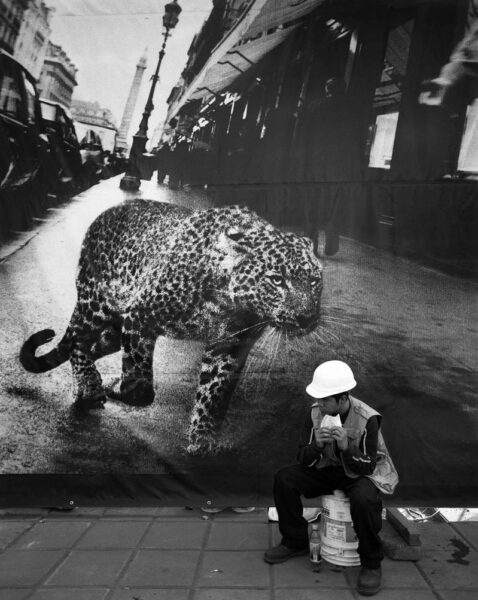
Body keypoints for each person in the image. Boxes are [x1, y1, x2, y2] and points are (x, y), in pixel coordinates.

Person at [263, 360, 398, 597]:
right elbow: (303, 459)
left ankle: (371, 563)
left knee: (364, 500)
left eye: (326, 400)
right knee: (285, 478)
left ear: (343, 398)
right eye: (319, 399)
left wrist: (347, 447)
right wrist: (317, 445)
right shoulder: (315, 412)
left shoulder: (367, 418)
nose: (321, 405)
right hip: (327, 470)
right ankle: (294, 541)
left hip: (359, 473)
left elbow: (367, 467)